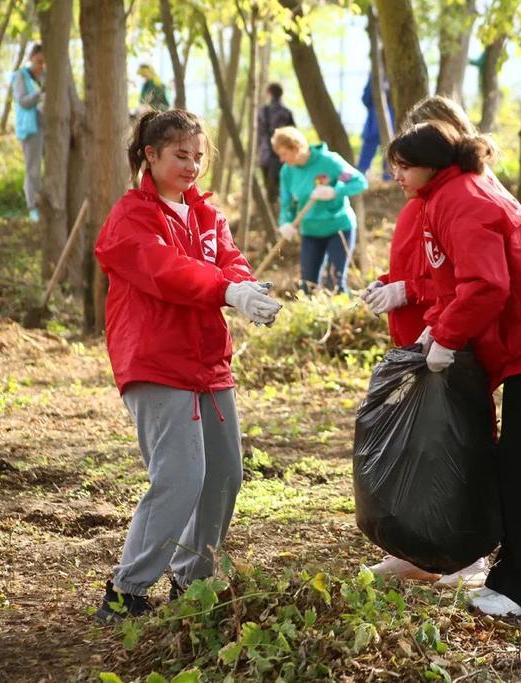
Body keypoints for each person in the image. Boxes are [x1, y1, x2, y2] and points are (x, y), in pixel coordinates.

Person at [382, 120, 521, 617]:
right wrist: (434, 328)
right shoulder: (449, 195)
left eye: (405, 165)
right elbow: (451, 283)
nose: (396, 174)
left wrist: (448, 336)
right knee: (520, 462)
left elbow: (486, 286)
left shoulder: (458, 199)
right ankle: (515, 579)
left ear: (432, 167)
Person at [93, 109, 282, 622]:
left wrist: (246, 286)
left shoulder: (205, 215)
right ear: (150, 156)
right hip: (155, 360)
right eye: (180, 155)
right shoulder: (131, 218)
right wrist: (227, 290)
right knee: (180, 474)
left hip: (207, 361)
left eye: (199, 156)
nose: (192, 165)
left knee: (224, 475)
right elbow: (167, 273)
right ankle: (126, 590)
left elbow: (230, 258)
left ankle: (191, 582)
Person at [360, 96, 493, 590]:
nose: (400, 172)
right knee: (416, 449)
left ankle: (468, 553)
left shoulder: (462, 196)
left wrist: (411, 292)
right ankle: (414, 549)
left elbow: (458, 278)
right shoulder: (418, 205)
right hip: (416, 337)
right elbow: (419, 267)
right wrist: (389, 285)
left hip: (450, 337)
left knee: (455, 444)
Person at [272, 126, 367, 293]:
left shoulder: (329, 162)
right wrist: (285, 223)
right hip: (310, 231)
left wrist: (335, 192)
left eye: (284, 154)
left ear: (296, 147)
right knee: (307, 285)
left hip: (338, 228)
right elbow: (287, 203)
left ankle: (339, 317)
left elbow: (358, 182)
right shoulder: (287, 171)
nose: (281, 159)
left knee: (335, 283)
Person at [12, 43, 45, 222]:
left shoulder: (44, 76)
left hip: (45, 127)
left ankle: (43, 202)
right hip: (30, 128)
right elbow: (23, 101)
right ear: (31, 58)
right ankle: (32, 207)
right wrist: (39, 94)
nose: (41, 65)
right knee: (33, 169)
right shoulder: (20, 76)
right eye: (39, 61)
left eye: (44, 62)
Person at [257, 83, 296, 206]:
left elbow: (258, 134)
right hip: (283, 156)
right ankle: (282, 211)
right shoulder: (286, 112)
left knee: (270, 191)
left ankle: (272, 213)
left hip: (265, 155)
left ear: (269, 93)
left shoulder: (262, 111)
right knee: (282, 188)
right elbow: (294, 135)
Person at [356, 73, 393, 181]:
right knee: (366, 155)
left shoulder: (396, 77)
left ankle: (388, 181)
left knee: (389, 154)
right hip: (373, 124)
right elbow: (365, 98)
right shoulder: (375, 76)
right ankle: (359, 181)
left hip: (391, 124)